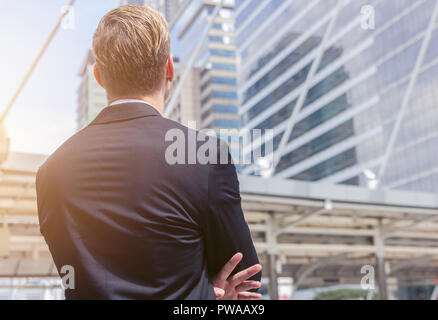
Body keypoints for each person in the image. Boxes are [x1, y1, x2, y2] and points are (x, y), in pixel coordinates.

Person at [36, 5, 261, 300]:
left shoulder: (51, 172)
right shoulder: (203, 155)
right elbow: (245, 278)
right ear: (169, 68)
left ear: (99, 76)